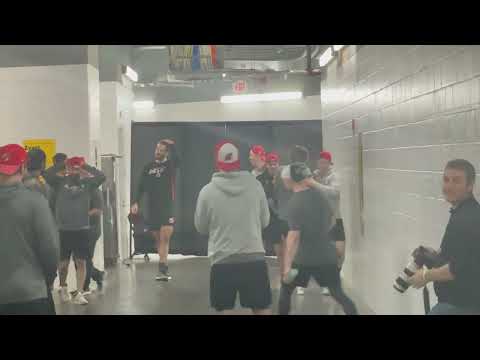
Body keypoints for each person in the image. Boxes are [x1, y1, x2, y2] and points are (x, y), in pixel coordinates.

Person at [194, 140, 272, 315]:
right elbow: (265, 221)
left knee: (222, 308)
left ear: (218, 162)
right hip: (254, 258)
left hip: (222, 260)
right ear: (238, 162)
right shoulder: (255, 185)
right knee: (261, 308)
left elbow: (201, 227)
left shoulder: (207, 192)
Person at [279, 162, 358, 315]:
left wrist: (287, 266)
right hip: (326, 257)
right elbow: (331, 222)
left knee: (286, 290)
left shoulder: (295, 203)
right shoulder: (321, 197)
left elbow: (293, 237)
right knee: (339, 294)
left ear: (291, 180)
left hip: (303, 259)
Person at [407, 159, 480, 315]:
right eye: (446, 180)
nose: (449, 186)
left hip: (460, 306)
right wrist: (432, 255)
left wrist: (425, 276)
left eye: (456, 181)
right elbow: (463, 256)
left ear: (470, 185)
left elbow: (456, 269)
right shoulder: (464, 212)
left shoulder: (467, 219)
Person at [0, 144, 59, 315]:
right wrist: (48, 279)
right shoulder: (35, 202)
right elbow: (50, 249)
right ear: (23, 167)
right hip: (30, 294)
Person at [44, 156, 106, 305]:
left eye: (77, 168)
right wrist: (63, 165)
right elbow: (45, 174)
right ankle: (63, 286)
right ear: (67, 169)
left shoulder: (88, 183)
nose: (74, 170)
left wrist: (85, 166)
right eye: (72, 168)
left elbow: (101, 176)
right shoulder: (59, 183)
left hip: (82, 229)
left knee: (81, 262)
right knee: (63, 264)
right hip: (64, 230)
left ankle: (78, 292)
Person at [131, 139, 180, 281]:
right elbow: (140, 185)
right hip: (152, 207)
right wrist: (136, 202)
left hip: (167, 207)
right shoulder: (148, 167)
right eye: (156, 149)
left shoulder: (170, 165)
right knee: (158, 239)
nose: (157, 152)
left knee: (165, 238)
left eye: (161, 150)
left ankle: (162, 268)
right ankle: (162, 265)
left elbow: (177, 159)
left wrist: (172, 145)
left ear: (166, 152)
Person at [23, 148, 57, 313]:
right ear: (43, 163)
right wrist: (50, 277)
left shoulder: (26, 184)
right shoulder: (38, 186)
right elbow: (47, 240)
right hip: (34, 270)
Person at [312, 151, 345, 295]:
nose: (322, 165)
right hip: (321, 221)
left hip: (336, 219)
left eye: (325, 162)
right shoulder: (313, 176)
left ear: (329, 163)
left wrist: (317, 184)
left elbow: (334, 193)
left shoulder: (334, 177)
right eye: (320, 162)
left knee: (340, 253)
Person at [257, 152, 289, 274]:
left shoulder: (285, 178)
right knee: (277, 250)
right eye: (270, 164)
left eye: (275, 164)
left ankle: (286, 274)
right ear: (266, 165)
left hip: (284, 217)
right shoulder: (260, 180)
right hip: (270, 219)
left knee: (287, 248)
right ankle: (281, 274)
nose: (273, 166)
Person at [83, 188, 105, 294]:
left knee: (85, 258)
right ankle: (97, 275)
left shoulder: (95, 191)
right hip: (80, 229)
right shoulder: (80, 190)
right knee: (81, 258)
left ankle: (85, 286)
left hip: (92, 229)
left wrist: (84, 213)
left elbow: (99, 210)